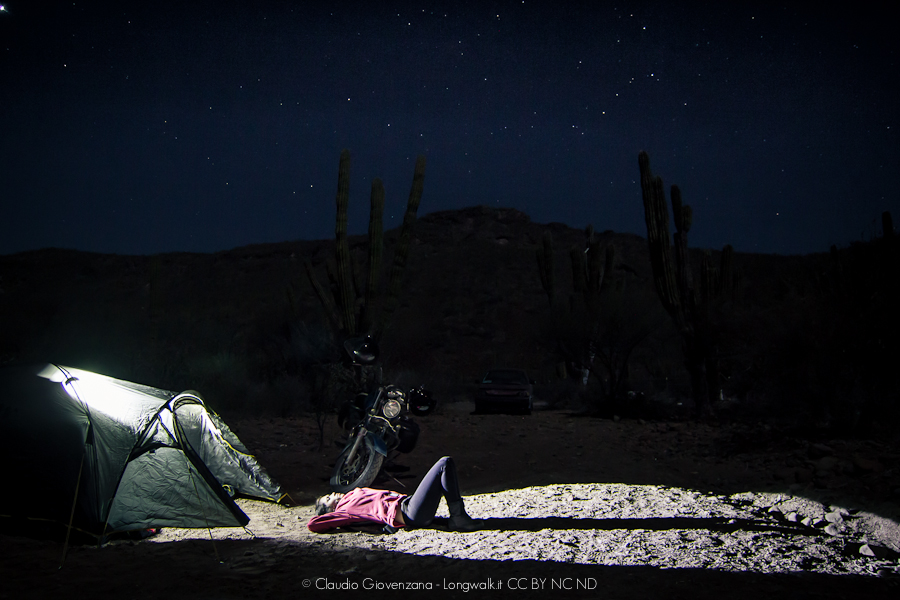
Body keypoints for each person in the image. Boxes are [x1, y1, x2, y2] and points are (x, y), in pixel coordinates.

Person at [308, 456, 481, 533]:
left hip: (410, 504)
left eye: (329, 494)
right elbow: (313, 524)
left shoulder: (352, 495)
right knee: (444, 463)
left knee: (444, 465)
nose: (333, 494)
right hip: (409, 513)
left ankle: (458, 517)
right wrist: (332, 516)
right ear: (330, 510)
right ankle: (458, 517)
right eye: (328, 498)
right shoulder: (344, 510)